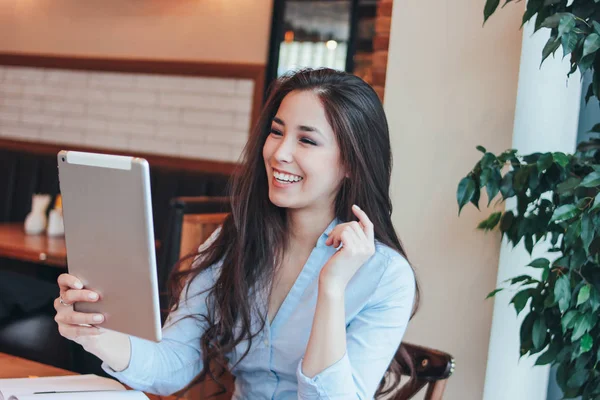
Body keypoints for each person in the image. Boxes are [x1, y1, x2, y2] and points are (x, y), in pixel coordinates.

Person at [54, 68, 418, 399]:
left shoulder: (387, 277)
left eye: (306, 141)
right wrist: (94, 333)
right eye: (276, 132)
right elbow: (173, 363)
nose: (280, 153)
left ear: (352, 163)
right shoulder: (234, 242)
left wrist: (332, 289)